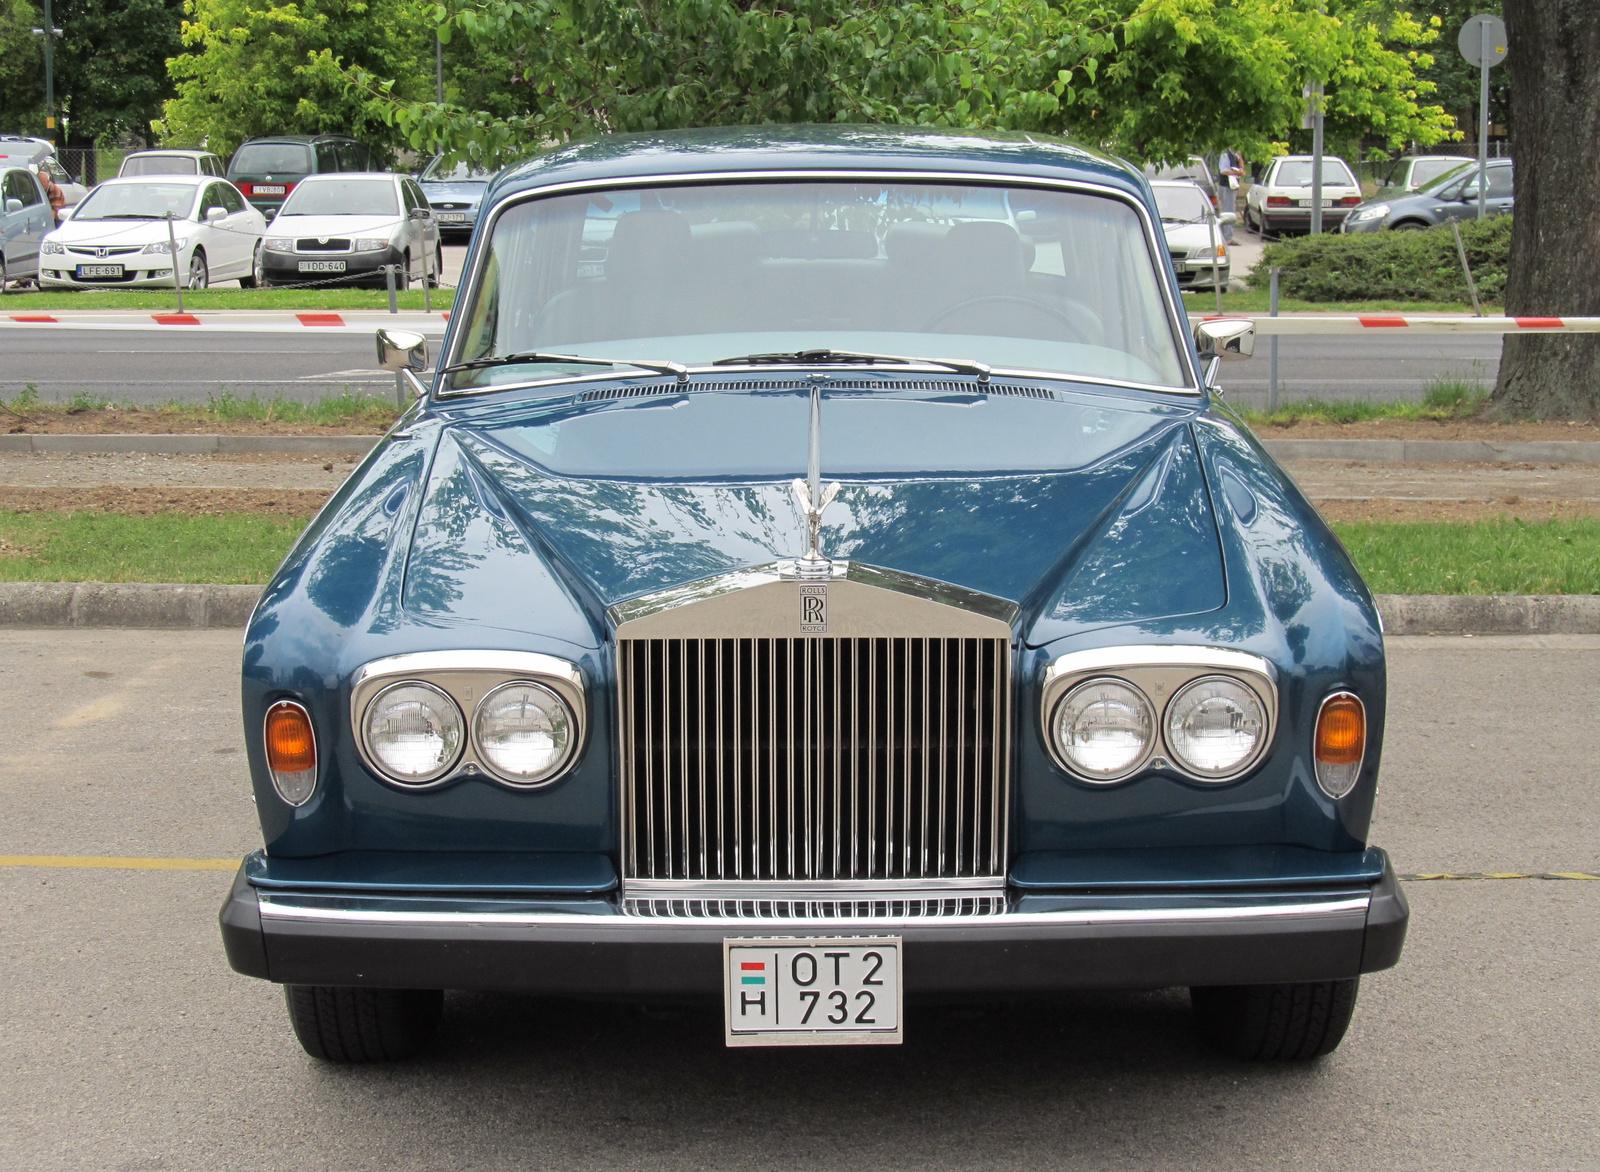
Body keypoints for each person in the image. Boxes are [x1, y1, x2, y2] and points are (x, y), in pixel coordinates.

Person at [1215, 148, 1245, 242]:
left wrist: (1240, 157)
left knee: (1231, 209)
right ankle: (1227, 237)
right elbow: (1223, 171)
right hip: (1226, 186)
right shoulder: (1225, 154)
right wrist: (1237, 173)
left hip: (1232, 186)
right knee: (1228, 211)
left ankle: (1228, 236)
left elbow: (1242, 169)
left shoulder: (1235, 155)